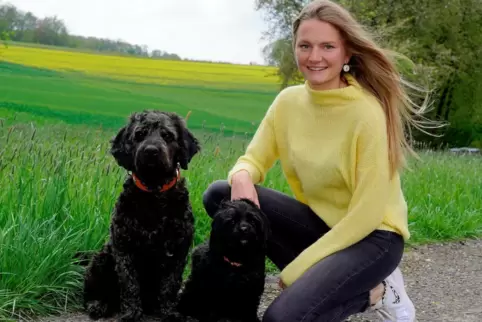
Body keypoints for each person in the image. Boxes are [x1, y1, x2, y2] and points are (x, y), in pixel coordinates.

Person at [203, 0, 433, 321]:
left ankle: (376, 292)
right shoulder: (288, 102)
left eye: (328, 46)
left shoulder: (367, 114)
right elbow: (253, 159)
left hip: (373, 238)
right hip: (323, 227)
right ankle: (325, 283)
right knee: (220, 193)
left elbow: (366, 216)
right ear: (294, 48)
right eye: (305, 46)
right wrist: (242, 174)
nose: (314, 57)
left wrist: (298, 269)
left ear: (347, 53)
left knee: (281, 319)